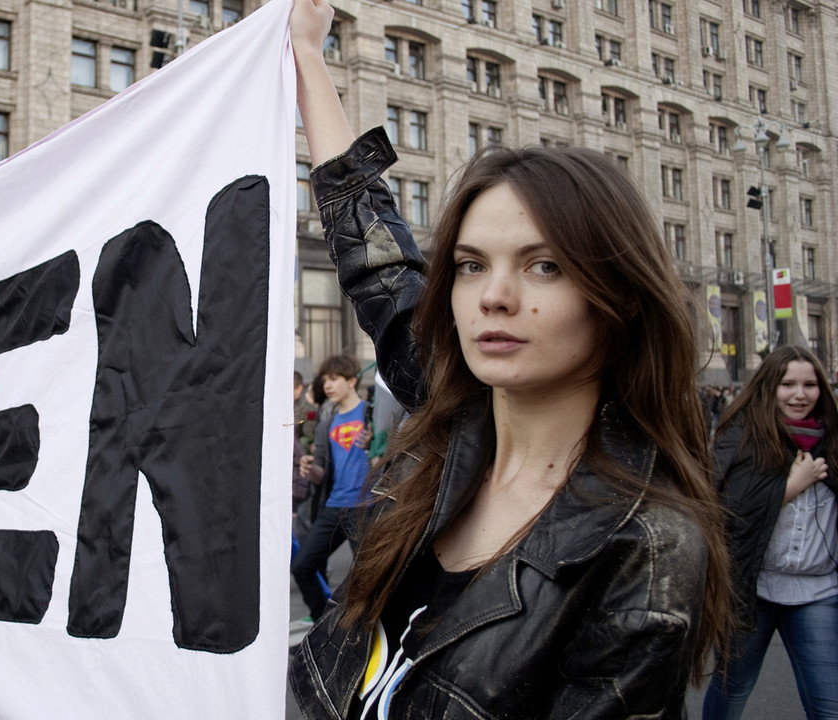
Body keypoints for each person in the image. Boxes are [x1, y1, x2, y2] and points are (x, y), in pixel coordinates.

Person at [287, 0, 732, 716]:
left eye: (544, 266)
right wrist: (309, 53)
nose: (493, 296)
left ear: (615, 295)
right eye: (468, 264)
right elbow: (375, 253)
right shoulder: (448, 417)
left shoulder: (645, 548)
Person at [702, 345, 837, 720]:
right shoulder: (740, 437)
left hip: (818, 592)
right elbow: (725, 512)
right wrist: (792, 485)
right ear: (769, 387)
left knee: (829, 706)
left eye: (809, 384)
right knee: (731, 693)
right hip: (751, 591)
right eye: (788, 384)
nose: (799, 394)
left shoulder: (835, 439)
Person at [292, 355, 368, 623]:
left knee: (368, 577)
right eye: (325, 380)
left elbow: (391, 455)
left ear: (351, 381)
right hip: (334, 505)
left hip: (366, 506)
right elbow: (321, 474)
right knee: (302, 566)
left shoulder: (372, 413)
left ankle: (365, 630)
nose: (327, 385)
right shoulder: (326, 424)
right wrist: (308, 467)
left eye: (334, 379)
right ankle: (323, 621)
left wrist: (374, 445)